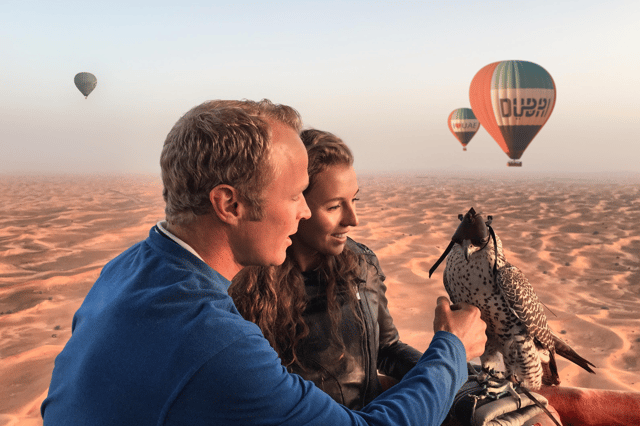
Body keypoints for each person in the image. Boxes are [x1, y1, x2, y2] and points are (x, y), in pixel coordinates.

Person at [41, 99, 487, 425]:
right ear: (229, 204)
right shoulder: (214, 337)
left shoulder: (126, 269)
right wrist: (450, 348)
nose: (304, 212)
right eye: (295, 196)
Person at [230, 129, 423, 410]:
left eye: (354, 200)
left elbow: (387, 349)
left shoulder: (361, 265)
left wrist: (456, 380)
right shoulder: (247, 287)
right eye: (334, 206)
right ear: (296, 205)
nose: (353, 219)